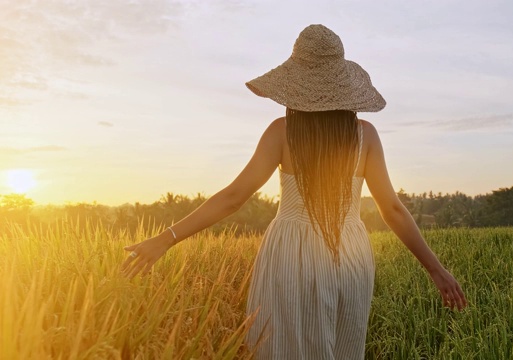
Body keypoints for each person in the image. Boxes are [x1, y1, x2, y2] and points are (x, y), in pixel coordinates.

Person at [121, 24, 467, 359]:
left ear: (294, 83)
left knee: (283, 348)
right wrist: (436, 270)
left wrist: (166, 238)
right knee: (341, 348)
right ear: (343, 84)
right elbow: (392, 208)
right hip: (349, 253)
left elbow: (232, 198)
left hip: (290, 251)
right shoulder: (366, 135)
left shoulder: (281, 133)